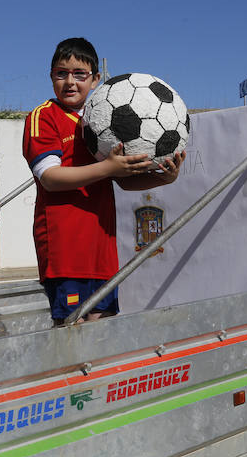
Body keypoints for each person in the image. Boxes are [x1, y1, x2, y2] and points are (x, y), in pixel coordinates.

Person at [22, 37, 185, 327]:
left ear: (96, 79)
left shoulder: (102, 121)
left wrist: (163, 178)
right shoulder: (42, 117)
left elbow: (122, 181)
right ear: (51, 77)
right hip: (65, 251)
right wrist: (107, 165)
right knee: (71, 331)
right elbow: (50, 178)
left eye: (79, 74)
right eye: (61, 74)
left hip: (102, 250)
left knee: (103, 328)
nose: (70, 82)